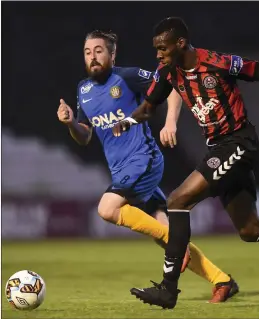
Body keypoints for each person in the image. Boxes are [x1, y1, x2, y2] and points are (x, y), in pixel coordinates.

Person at [111, 17, 259, 309]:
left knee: (178, 200)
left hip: (239, 142)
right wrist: (127, 121)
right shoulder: (168, 72)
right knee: (251, 230)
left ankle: (168, 289)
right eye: (156, 49)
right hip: (218, 147)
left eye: (162, 48)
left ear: (180, 43)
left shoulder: (216, 62)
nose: (158, 54)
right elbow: (149, 107)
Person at [57, 29, 240, 303]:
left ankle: (177, 247)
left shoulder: (127, 77)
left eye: (98, 51)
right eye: (87, 52)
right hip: (122, 170)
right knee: (166, 236)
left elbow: (174, 85)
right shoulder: (83, 90)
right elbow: (84, 136)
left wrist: (170, 123)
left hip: (143, 160)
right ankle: (222, 280)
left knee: (107, 209)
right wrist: (71, 122)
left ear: (112, 54)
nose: (93, 57)